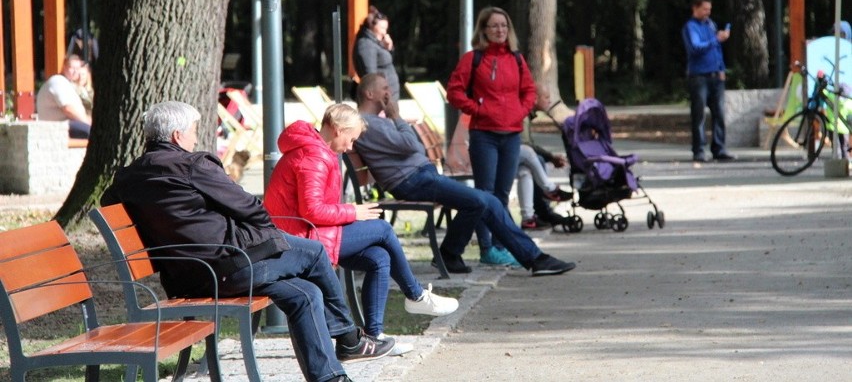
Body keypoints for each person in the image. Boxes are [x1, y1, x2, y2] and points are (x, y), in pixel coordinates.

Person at [101, 101, 394, 382]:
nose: (195, 138)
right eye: (192, 130)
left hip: (186, 277)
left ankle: (330, 377)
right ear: (177, 135)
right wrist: (266, 235)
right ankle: (349, 338)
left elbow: (108, 202)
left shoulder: (126, 178)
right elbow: (249, 207)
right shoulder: (192, 166)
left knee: (305, 294)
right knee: (315, 252)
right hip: (227, 266)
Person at [264, 103, 459, 353]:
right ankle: (416, 296)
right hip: (301, 238)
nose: (351, 146)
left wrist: (350, 214)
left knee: (379, 257)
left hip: (307, 232)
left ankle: (373, 336)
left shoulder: (315, 149)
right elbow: (311, 211)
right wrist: (352, 212)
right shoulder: (314, 156)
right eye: (351, 138)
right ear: (337, 129)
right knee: (383, 230)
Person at [355, 73, 576, 277]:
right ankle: (534, 259)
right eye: (384, 88)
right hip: (411, 181)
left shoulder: (376, 122)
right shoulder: (369, 124)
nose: (389, 93)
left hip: (419, 177)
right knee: (483, 201)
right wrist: (397, 117)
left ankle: (452, 253)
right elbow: (411, 144)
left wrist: (396, 123)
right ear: (369, 93)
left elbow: (413, 148)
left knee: (483, 201)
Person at [446, 6, 536, 266]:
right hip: (484, 135)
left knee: (503, 195)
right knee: (485, 195)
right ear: (483, 30)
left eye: (504, 26)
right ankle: (488, 248)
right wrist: (478, 109)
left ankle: (500, 247)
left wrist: (521, 110)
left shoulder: (516, 59)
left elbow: (529, 90)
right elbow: (455, 92)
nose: (500, 30)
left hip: (511, 135)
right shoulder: (473, 59)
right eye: (494, 26)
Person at [681, 0, 735, 163]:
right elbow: (695, 48)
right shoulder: (690, 27)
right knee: (699, 114)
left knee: (719, 113)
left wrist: (721, 68)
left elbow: (716, 49)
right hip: (699, 77)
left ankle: (719, 148)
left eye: (709, 9)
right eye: (704, 9)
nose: (707, 13)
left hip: (715, 76)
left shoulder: (710, 24)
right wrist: (715, 39)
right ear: (695, 8)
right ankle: (699, 150)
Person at [517, 84, 572, 230]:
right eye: (546, 97)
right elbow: (524, 143)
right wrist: (550, 157)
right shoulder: (522, 115)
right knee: (533, 156)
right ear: (534, 99)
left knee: (525, 171)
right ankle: (550, 190)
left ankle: (528, 218)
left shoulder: (526, 115)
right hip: (500, 152)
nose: (549, 101)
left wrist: (550, 157)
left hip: (512, 154)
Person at [36, 54, 92, 138]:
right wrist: (87, 122)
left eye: (78, 68)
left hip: (68, 125)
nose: (75, 71)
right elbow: (68, 109)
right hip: (60, 127)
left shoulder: (69, 85)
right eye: (72, 68)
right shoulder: (58, 81)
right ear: (64, 67)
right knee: (96, 134)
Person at [353, 6, 400, 101]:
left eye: (386, 28)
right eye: (382, 28)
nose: (385, 32)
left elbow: (387, 64)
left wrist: (389, 48)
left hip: (389, 95)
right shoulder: (366, 44)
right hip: (381, 98)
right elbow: (370, 74)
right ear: (372, 26)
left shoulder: (376, 43)